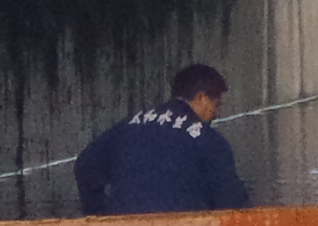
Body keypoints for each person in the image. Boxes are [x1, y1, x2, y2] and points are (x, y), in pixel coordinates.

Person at [72, 65, 250, 216]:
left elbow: (85, 167)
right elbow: (231, 202)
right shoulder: (209, 140)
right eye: (216, 105)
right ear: (202, 97)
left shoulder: (127, 126)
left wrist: (100, 216)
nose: (216, 114)